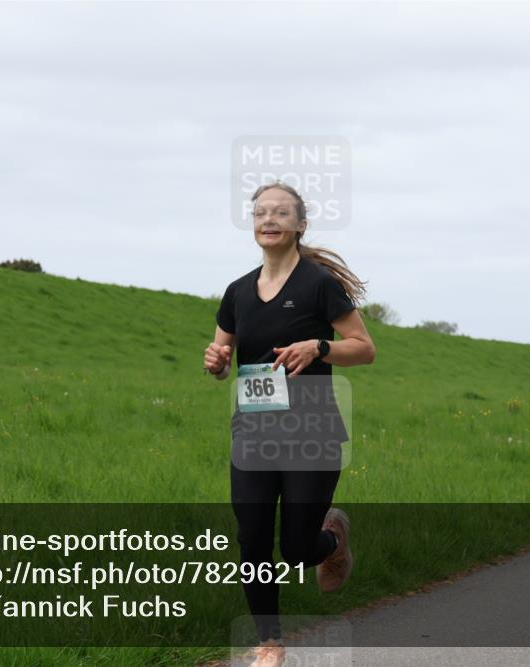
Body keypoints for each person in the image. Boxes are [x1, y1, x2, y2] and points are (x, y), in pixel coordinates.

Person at [203, 181, 376, 667]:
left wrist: (319, 347)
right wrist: (216, 361)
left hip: (312, 431)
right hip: (254, 432)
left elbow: (364, 348)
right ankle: (270, 643)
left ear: (300, 225)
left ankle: (333, 539)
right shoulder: (237, 292)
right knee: (252, 538)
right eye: (261, 212)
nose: (269, 219)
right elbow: (221, 358)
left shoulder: (319, 285)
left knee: (298, 549)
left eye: (281, 213)